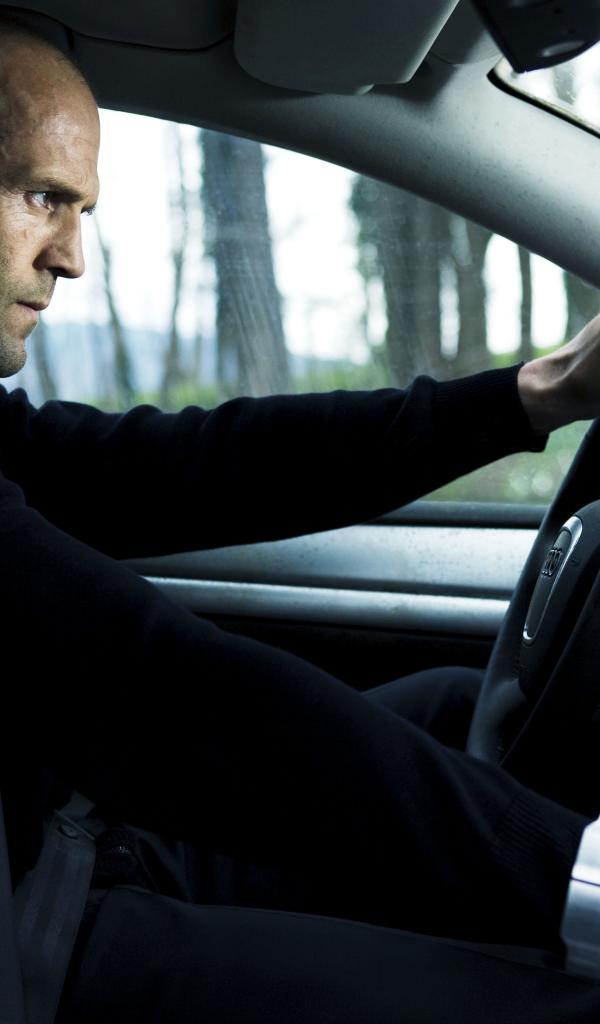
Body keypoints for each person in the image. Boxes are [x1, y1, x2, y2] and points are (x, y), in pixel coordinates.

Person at [1, 13, 600, 1023]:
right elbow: (156, 683)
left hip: (71, 835)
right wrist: (574, 874)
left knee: (461, 710)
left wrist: (532, 398)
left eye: (81, 209)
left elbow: (195, 468)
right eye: (41, 196)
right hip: (33, 941)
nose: (72, 258)